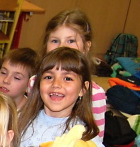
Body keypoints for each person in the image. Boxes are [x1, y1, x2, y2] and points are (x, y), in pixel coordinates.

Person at [19, 47, 120, 147]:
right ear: (38, 84)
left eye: (67, 78)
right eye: (48, 77)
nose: (56, 84)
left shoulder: (81, 134)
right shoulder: (20, 120)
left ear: (83, 89)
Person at [40, 9, 106, 138]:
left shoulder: (95, 94)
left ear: (86, 47)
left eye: (70, 41)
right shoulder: (35, 82)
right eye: (55, 41)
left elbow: (96, 140)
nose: (61, 47)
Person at [0, 47, 38, 112]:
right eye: (3, 73)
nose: (6, 80)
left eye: (16, 78)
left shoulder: (30, 114)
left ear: (30, 84)